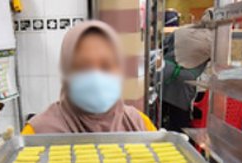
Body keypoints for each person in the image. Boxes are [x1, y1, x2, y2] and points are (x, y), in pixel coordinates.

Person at [23, 20, 156, 134]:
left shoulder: (139, 124)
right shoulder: (37, 132)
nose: (96, 78)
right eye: (83, 67)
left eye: (106, 66)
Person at [161, 12, 213, 131]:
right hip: (185, 82)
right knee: (179, 123)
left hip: (165, 73)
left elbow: (163, 46)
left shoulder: (183, 29)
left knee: (159, 117)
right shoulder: (215, 39)